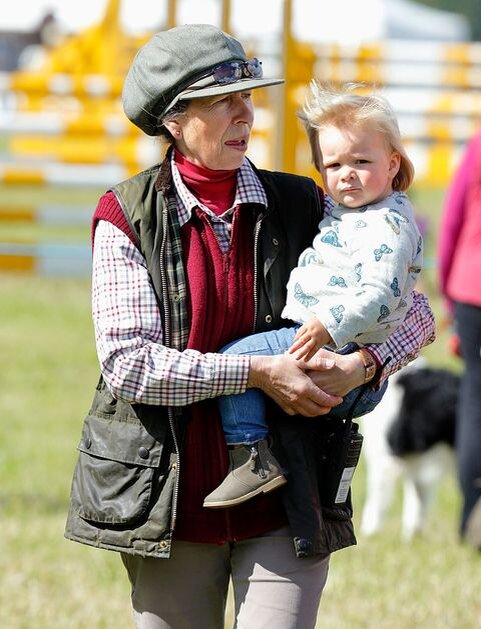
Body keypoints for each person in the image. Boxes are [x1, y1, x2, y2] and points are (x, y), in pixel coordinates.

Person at [64, 24, 436, 629]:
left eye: (248, 97)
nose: (246, 114)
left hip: (291, 500)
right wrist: (259, 372)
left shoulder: (307, 201)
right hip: (172, 508)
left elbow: (416, 312)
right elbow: (129, 364)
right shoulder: (123, 216)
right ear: (174, 120)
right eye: (222, 101)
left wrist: (363, 365)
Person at [204, 81, 423, 509]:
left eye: (362, 161)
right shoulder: (349, 212)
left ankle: (250, 454)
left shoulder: (388, 225)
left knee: (236, 360)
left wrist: (330, 327)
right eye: (334, 165)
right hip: (339, 346)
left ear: (393, 163)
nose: (348, 174)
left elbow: (383, 294)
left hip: (342, 347)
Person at [438, 128, 481, 550]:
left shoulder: (479, 142)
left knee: (475, 403)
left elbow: (451, 221)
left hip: (473, 291)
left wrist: (451, 304)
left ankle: (471, 518)